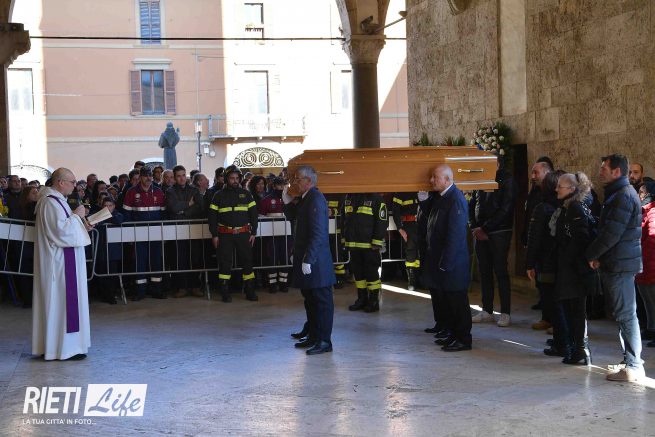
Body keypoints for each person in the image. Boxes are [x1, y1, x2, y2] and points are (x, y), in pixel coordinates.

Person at [586, 154, 645, 382]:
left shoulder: (623, 196)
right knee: (623, 315)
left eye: (604, 168)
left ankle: (633, 366)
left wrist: (592, 254)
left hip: (621, 264)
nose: (600, 172)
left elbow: (611, 233)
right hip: (618, 261)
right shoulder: (619, 193)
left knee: (626, 315)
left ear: (616, 171)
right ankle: (629, 360)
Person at [32, 167, 94, 361]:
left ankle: (66, 347)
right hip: (59, 265)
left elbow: (66, 227)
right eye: (72, 182)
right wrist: (77, 216)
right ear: (60, 182)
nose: (75, 186)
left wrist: (83, 225)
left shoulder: (58, 201)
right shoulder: (50, 202)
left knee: (64, 305)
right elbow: (60, 232)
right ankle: (64, 349)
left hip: (65, 262)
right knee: (61, 304)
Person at [284, 165, 335, 355]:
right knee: (311, 301)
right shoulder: (306, 199)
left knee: (322, 303)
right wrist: (287, 203)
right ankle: (314, 336)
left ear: (309, 181)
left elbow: (318, 233)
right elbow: (295, 218)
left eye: (297, 179)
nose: (294, 182)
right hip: (308, 258)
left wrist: (309, 259)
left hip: (316, 262)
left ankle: (324, 341)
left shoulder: (315, 198)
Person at [420, 165, 472, 352]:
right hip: (444, 262)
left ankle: (463, 339)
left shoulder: (455, 199)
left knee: (458, 302)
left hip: (453, 264)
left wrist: (446, 263)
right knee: (449, 302)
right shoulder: (443, 197)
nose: (431, 180)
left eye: (435, 177)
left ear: (447, 179)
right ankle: (453, 334)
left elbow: (455, 236)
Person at [554, 172, 596, 365]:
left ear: (572, 189)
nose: (556, 189)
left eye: (560, 186)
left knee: (576, 311)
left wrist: (566, 258)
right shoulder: (570, 206)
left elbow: (580, 238)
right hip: (571, 268)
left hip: (575, 270)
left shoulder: (575, 207)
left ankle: (580, 350)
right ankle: (577, 349)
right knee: (572, 310)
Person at [469, 159, 517, 327]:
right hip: (480, 231)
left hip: (499, 231)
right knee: (484, 271)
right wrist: (474, 226)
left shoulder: (507, 180)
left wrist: (485, 228)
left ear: (497, 165)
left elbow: (506, 208)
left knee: (500, 271)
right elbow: (472, 204)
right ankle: (487, 310)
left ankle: (505, 313)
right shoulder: (480, 179)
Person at [208, 166, 259, 302]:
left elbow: (254, 215)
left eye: (237, 178)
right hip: (225, 235)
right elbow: (212, 217)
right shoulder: (218, 195)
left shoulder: (246, 194)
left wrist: (254, 232)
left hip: (243, 234)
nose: (235, 181)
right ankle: (225, 292)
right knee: (225, 263)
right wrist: (214, 235)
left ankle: (250, 291)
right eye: (232, 178)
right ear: (226, 179)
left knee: (247, 262)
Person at [122, 166, 167, 300]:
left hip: (156, 233)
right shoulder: (131, 192)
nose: (148, 178)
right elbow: (126, 214)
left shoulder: (158, 191)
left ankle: (156, 290)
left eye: (150, 175)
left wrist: (163, 232)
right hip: (138, 234)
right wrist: (130, 234)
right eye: (146, 175)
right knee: (139, 262)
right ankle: (140, 292)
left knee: (156, 261)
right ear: (140, 177)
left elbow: (164, 213)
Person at [526, 172, 559, 338]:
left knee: (550, 290)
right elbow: (534, 236)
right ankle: (548, 318)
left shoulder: (557, 206)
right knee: (545, 289)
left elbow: (535, 236)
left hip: (550, 255)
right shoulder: (543, 207)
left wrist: (530, 263)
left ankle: (555, 321)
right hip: (545, 255)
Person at [343, 192, 388, 313]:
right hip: (353, 244)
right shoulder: (349, 196)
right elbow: (344, 219)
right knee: (358, 274)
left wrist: (377, 241)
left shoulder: (376, 198)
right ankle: (361, 299)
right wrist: (344, 238)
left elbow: (382, 221)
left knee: (371, 273)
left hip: (369, 246)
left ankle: (374, 301)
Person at [166, 165, 205, 298]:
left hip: (193, 228)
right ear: (175, 178)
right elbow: (173, 208)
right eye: (178, 176)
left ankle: (195, 286)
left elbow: (200, 207)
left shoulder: (194, 190)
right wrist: (188, 204)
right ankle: (181, 287)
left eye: (183, 175)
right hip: (178, 229)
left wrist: (183, 212)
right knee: (179, 259)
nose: (182, 178)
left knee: (195, 257)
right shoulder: (170, 191)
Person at [258, 177, 291, 293]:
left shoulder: (290, 199)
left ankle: (284, 283)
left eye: (284, 185)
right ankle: (272, 284)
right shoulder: (266, 200)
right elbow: (261, 218)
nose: (282, 187)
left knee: (285, 258)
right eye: (279, 185)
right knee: (271, 259)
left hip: (286, 235)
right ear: (274, 186)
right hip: (271, 235)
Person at [636, 181, 655, 347]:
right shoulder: (645, 210)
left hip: (649, 265)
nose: (639, 195)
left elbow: (651, 241)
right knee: (648, 300)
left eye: (641, 192)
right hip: (644, 264)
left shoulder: (653, 212)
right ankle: (651, 327)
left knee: (652, 299)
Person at [392, 192, 420, 290]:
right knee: (410, 251)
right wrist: (400, 229)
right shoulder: (401, 192)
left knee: (422, 251)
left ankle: (420, 279)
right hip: (409, 225)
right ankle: (412, 280)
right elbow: (395, 211)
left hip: (423, 224)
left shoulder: (422, 190)